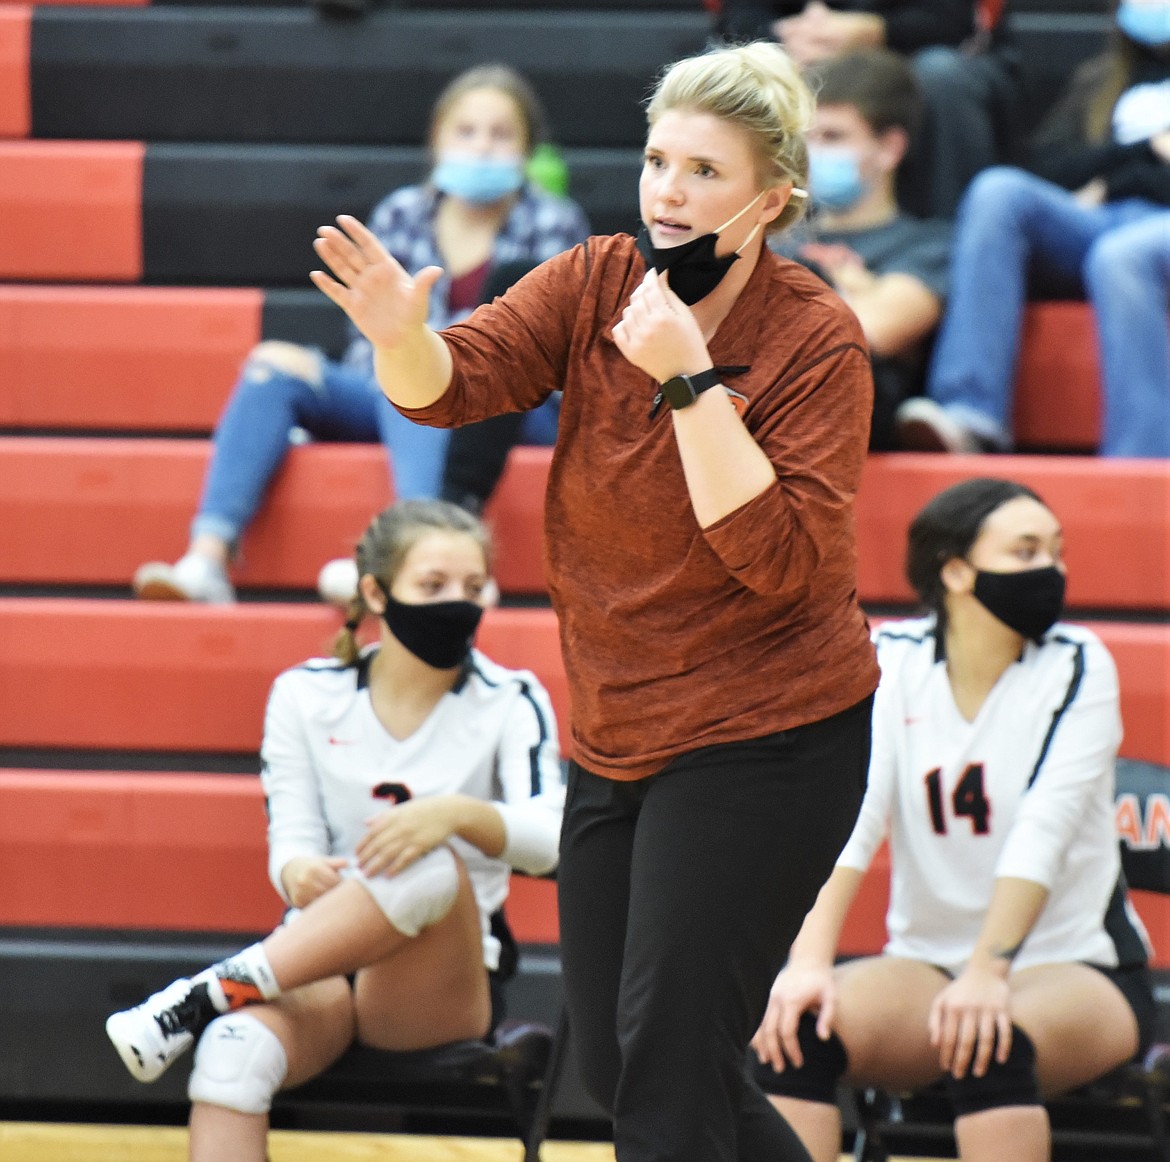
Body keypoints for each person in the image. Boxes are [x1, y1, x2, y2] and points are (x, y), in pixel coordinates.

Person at [309, 38, 881, 1162]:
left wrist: (684, 378)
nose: (668, 190)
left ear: (772, 198)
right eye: (658, 160)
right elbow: (454, 386)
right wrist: (399, 341)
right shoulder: (596, 277)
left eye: (704, 172)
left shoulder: (818, 339)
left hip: (772, 735)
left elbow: (777, 557)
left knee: (669, 1076)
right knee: (628, 1067)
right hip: (620, 727)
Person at [106, 499, 565, 1162]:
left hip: (437, 982)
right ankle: (212, 1007)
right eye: (433, 587)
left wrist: (453, 814)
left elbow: (554, 840)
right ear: (375, 592)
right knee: (232, 1057)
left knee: (427, 857)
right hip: (318, 960)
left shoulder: (510, 697)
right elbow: (291, 841)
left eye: (473, 588)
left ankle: (205, 992)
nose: (457, 605)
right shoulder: (305, 692)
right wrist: (295, 871)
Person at [751, 477, 1156, 1162]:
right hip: (926, 965)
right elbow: (854, 815)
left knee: (990, 1047)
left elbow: (1044, 833)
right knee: (798, 1032)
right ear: (956, 570)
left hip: (1081, 967)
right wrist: (808, 963)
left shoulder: (1080, 663)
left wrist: (987, 972)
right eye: (1025, 551)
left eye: (1057, 552)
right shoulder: (893, 658)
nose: (1050, 570)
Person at [132, 64, 590, 605]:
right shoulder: (401, 214)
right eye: (466, 132)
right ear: (436, 142)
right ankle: (206, 562)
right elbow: (369, 334)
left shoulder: (556, 224)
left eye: (501, 134)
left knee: (423, 365)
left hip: (510, 410)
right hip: (387, 387)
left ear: (527, 149)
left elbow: (553, 354)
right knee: (274, 364)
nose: (482, 147)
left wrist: (424, 352)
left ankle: (423, 563)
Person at [899, 3, 1170, 458]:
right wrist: (1140, 155)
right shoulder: (1103, 77)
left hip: (1145, 234)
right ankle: (969, 413)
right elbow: (1047, 165)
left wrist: (1117, 174)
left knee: (1121, 256)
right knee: (997, 190)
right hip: (1103, 218)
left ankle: (1140, 460)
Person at [777, 48, 951, 448]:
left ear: (889, 148)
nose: (814, 153)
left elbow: (872, 331)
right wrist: (854, 290)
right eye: (809, 139)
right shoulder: (775, 237)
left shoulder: (930, 244)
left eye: (834, 137)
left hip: (854, 421)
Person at [713, 0, 1021, 219]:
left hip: (912, 52)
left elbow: (955, 21)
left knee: (943, 75)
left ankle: (947, 240)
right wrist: (797, 38)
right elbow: (740, 18)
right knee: (739, 70)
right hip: (800, 48)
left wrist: (877, 30)